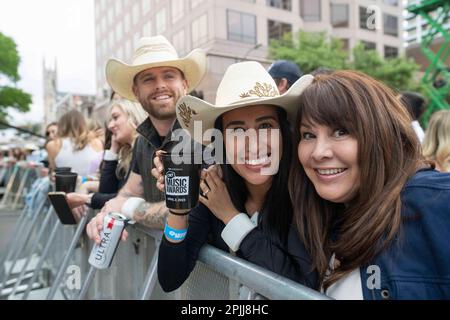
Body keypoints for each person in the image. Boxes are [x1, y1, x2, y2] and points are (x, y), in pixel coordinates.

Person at [153, 61, 317, 292]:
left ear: (283, 132)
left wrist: (231, 217)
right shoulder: (214, 187)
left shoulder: (304, 190)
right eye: (237, 130)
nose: (253, 144)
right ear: (220, 142)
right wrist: (179, 208)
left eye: (266, 126)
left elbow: (301, 288)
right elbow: (170, 278)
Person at [290, 70, 450, 299]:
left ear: (380, 133)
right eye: (308, 135)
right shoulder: (321, 215)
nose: (319, 152)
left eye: (340, 132)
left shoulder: (436, 202)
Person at [86, 35, 206, 243]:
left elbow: (191, 212)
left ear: (184, 85)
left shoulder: (204, 135)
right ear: (135, 91)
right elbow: (129, 191)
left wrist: (125, 207)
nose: (160, 85)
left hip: (204, 273)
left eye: (169, 76)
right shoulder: (142, 142)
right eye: (148, 79)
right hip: (153, 266)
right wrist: (107, 212)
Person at [65, 99, 147, 217]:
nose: (110, 126)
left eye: (115, 117)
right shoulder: (129, 152)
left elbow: (131, 198)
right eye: (110, 120)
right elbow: (107, 190)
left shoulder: (145, 148)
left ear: (133, 116)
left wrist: (86, 198)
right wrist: (113, 151)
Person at [46, 109, 103, 176]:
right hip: (91, 185)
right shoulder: (97, 143)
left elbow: (53, 172)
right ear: (83, 124)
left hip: (65, 185)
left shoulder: (53, 145)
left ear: (61, 125)